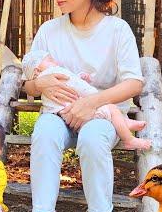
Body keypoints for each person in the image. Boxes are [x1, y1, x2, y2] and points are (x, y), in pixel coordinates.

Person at [23, 0, 145, 212]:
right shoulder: (50, 30)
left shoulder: (117, 31)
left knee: (92, 139)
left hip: (103, 116)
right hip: (59, 114)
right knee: (44, 133)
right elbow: (30, 84)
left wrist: (92, 103)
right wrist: (42, 86)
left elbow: (134, 83)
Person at [21, 50, 151, 151]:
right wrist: (93, 97)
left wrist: (79, 77)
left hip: (64, 114)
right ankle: (128, 138)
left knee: (97, 127)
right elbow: (77, 86)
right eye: (49, 60)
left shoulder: (47, 78)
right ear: (37, 70)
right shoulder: (52, 72)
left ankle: (122, 123)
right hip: (80, 109)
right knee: (112, 108)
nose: (54, 61)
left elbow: (70, 83)